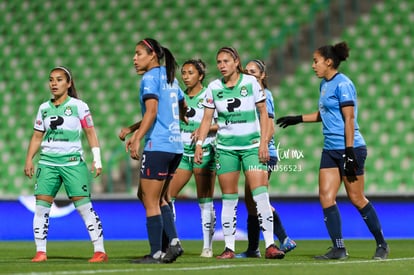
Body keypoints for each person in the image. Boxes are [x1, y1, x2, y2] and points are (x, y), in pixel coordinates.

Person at [276, 41, 389, 260]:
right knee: (326, 197)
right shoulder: (324, 85)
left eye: (315, 61)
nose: (312, 66)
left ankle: (382, 244)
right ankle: (339, 248)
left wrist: (349, 152)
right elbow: (324, 114)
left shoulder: (343, 84)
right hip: (330, 149)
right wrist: (298, 119)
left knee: (356, 198)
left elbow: (349, 119)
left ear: (328, 62)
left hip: (351, 147)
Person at [194, 46, 285, 260]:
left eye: (226, 61)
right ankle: (229, 248)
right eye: (219, 62)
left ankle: (271, 245)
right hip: (226, 149)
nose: (222, 65)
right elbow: (207, 119)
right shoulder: (214, 87)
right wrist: (199, 144)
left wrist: (263, 143)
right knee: (229, 198)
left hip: (252, 147)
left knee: (260, 195)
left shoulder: (251, 83)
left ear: (236, 62)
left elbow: (264, 114)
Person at [24, 66, 107, 263]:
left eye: (59, 79)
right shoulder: (44, 108)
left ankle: (100, 251)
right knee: (41, 208)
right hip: (47, 163)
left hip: (72, 163)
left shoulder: (79, 106)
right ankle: (41, 252)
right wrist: (29, 159)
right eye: (51, 79)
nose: (54, 83)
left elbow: (90, 133)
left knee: (84, 207)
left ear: (69, 84)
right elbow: (37, 136)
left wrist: (97, 159)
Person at [125, 38, 187, 264]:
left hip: (158, 145)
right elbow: (183, 106)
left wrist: (136, 138)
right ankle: (171, 244)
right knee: (157, 197)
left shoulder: (149, 78)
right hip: (175, 146)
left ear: (152, 55)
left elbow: (151, 113)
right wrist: (180, 118)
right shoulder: (170, 77)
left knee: (151, 200)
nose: (134, 58)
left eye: (138, 53)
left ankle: (159, 251)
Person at [236, 60, 297, 258]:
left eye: (253, 72)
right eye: (247, 71)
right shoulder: (250, 95)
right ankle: (254, 248)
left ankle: (283, 238)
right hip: (254, 151)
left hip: (263, 152)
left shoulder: (263, 95)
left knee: (257, 199)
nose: (249, 74)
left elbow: (269, 126)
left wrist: (262, 146)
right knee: (252, 201)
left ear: (262, 76)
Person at [167, 59, 217, 258]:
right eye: (184, 73)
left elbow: (224, 123)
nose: (185, 77)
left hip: (204, 152)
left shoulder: (209, 95)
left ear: (201, 76)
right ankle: (172, 240)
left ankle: (207, 246)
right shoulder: (180, 98)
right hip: (182, 153)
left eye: (190, 73)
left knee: (204, 199)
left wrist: (204, 129)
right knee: (167, 197)